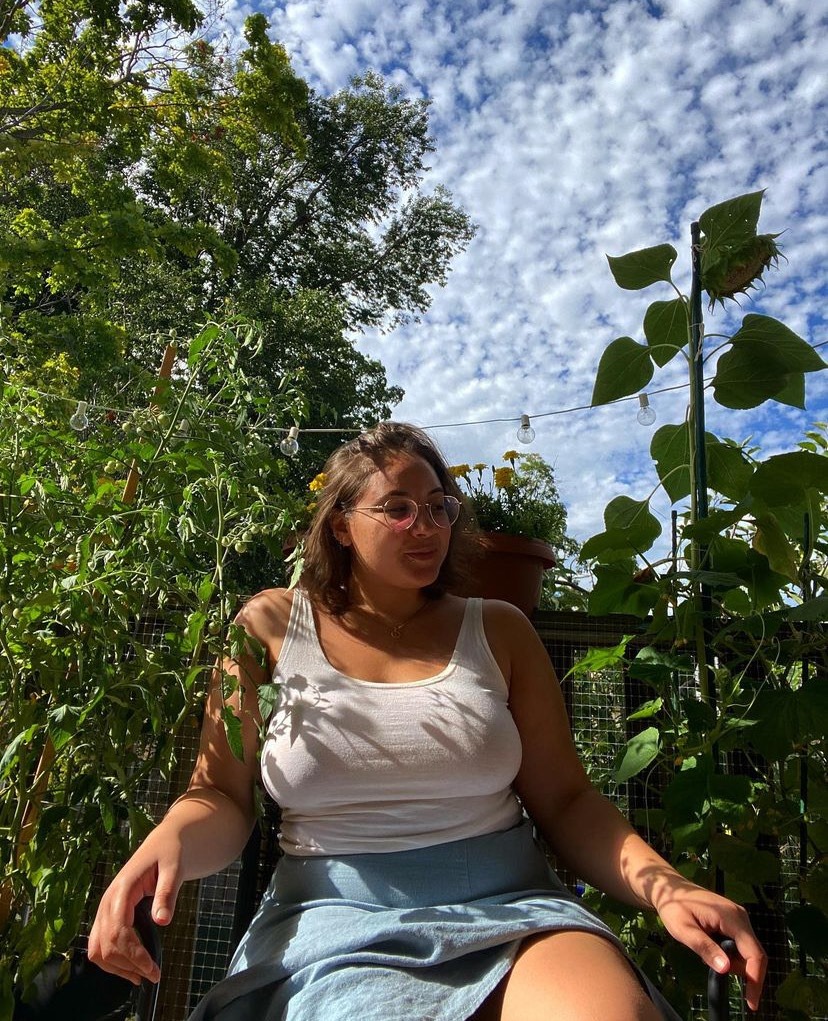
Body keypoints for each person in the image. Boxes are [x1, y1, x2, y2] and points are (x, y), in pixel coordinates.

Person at [89, 421, 767, 1020]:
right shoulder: (268, 623)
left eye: (440, 507)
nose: (429, 525)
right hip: (333, 919)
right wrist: (167, 841)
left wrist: (666, 887)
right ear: (340, 523)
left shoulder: (500, 630)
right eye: (399, 508)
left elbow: (566, 800)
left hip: (514, 907)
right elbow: (218, 794)